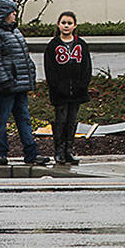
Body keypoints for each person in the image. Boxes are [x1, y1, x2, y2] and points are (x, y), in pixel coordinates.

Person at [0, 0, 48, 166]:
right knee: (2, 119)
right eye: (12, 11)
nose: (15, 14)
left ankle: (31, 154)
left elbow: (23, 56)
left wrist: (29, 76)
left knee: (24, 118)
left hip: (18, 84)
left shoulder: (14, 31)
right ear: (3, 13)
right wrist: (6, 81)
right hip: (6, 86)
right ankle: (0, 153)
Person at [44, 11, 92, 165]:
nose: (66, 26)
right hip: (60, 92)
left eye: (69, 23)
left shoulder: (81, 44)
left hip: (77, 92)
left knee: (72, 121)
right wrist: (57, 86)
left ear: (75, 26)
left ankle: (68, 150)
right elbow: (49, 69)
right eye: (63, 23)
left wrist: (82, 85)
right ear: (58, 25)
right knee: (61, 120)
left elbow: (87, 67)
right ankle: (58, 151)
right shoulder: (53, 45)